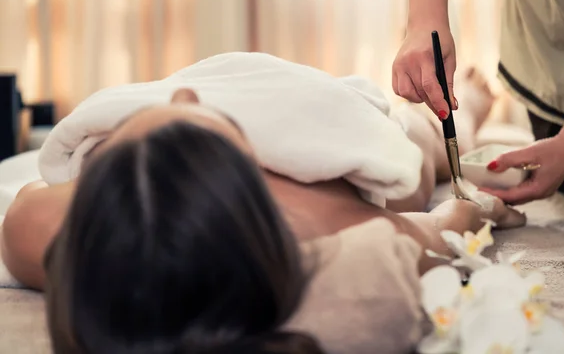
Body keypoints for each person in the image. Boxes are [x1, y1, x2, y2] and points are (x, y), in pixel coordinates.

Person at [2, 57, 523, 352]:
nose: (185, 96)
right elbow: (449, 224)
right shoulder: (334, 219)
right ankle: (464, 112)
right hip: (320, 111)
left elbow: (29, 194)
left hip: (239, 87)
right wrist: (481, 208)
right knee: (419, 148)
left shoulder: (40, 230)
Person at [393, 0, 564, 223]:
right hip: (550, 57)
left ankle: (466, 109)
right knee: (400, 134)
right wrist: (424, 20)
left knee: (403, 142)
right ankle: (465, 110)